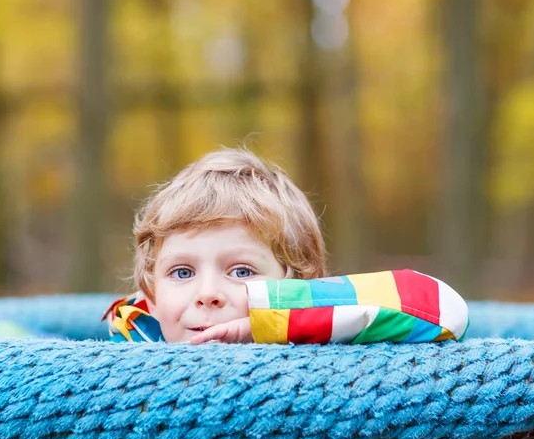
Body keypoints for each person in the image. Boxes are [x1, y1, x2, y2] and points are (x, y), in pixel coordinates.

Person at [103, 147, 469, 345]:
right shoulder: (134, 342)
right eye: (182, 272)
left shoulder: (325, 340)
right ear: (150, 293)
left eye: (241, 271)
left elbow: (444, 309)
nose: (208, 294)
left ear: (297, 284)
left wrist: (275, 319)